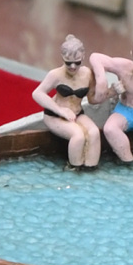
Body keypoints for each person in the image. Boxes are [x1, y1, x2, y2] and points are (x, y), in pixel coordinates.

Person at [31, 35, 101, 169]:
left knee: (94, 132)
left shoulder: (87, 74)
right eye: (68, 63)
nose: (73, 66)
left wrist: (111, 92)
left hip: (77, 114)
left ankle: (91, 170)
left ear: (83, 57)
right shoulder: (55, 74)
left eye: (77, 62)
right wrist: (60, 110)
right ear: (62, 58)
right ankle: (74, 169)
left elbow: (93, 99)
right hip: (55, 116)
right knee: (78, 135)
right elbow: (37, 93)